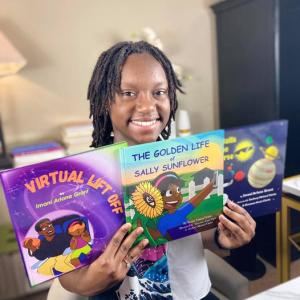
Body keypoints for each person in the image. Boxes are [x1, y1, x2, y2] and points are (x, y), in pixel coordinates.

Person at [59, 41, 256, 299]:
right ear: (106, 101)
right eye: (128, 93)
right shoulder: (83, 181)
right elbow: (67, 273)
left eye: (159, 92)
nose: (147, 106)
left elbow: (196, 228)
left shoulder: (190, 161)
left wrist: (223, 236)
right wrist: (89, 282)